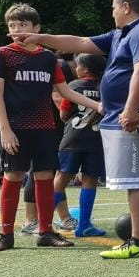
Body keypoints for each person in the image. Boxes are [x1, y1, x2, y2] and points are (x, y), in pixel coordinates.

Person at [23, 0, 139, 258]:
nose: (112, 13)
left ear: (126, 7)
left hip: (133, 122)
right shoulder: (120, 34)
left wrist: (131, 109)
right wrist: (39, 37)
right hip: (122, 120)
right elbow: (78, 43)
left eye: (114, 7)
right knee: (134, 181)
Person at [0, 4, 102, 252]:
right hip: (15, 128)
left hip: (44, 128)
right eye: (12, 26)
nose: (17, 30)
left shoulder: (48, 58)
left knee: (45, 177)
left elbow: (66, 91)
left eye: (23, 25)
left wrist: (99, 105)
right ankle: (6, 234)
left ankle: (46, 232)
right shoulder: (3, 54)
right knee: (13, 177)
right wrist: (4, 128)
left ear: (36, 28)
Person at [54, 53, 107, 237]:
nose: (75, 68)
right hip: (96, 141)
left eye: (77, 65)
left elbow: (63, 115)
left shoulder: (73, 86)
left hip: (72, 140)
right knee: (89, 181)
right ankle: (84, 225)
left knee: (60, 179)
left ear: (84, 69)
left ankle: (43, 223)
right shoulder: (105, 88)